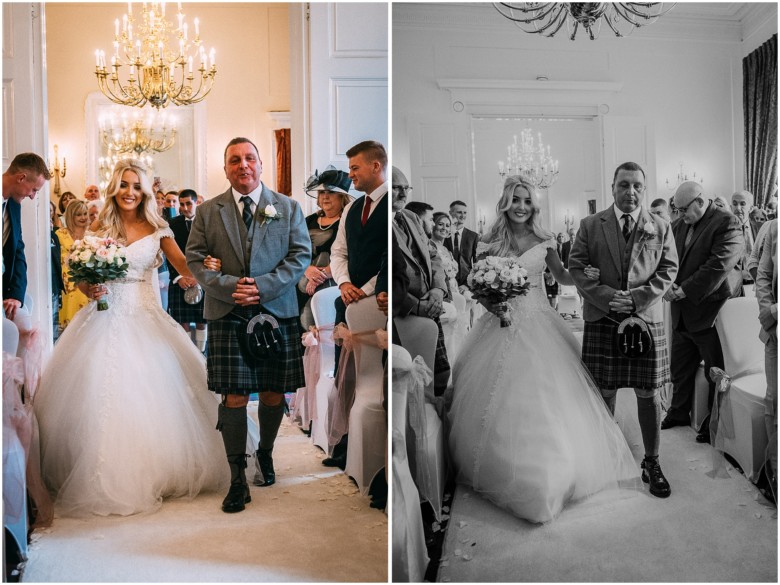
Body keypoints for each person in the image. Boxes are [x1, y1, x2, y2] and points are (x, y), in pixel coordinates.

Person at [34, 158, 227, 517]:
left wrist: (204, 271)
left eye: (136, 186)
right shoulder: (98, 225)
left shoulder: (159, 230)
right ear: (114, 188)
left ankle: (159, 470)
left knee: (154, 392)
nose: (129, 192)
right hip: (101, 317)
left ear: (145, 191)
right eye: (124, 185)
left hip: (144, 315)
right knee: (96, 390)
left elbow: (186, 268)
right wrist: (88, 286)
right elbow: (80, 275)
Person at [448, 175, 640, 523]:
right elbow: (476, 285)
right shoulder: (488, 240)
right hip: (499, 325)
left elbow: (563, 276)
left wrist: (586, 275)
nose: (521, 207)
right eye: (516, 200)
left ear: (533, 206)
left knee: (552, 395)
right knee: (498, 399)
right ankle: (508, 470)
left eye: (527, 201)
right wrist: (493, 305)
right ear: (506, 202)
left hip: (539, 322)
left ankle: (557, 473)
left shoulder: (545, 239)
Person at [186, 137, 310, 513]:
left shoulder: (287, 207)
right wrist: (228, 288)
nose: (243, 165)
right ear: (225, 168)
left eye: (250, 158)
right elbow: (194, 259)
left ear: (260, 165)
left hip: (276, 310)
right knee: (235, 396)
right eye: (235, 160)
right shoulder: (208, 211)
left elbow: (300, 255)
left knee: (273, 393)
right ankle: (237, 476)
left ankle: (267, 454)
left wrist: (262, 287)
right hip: (227, 312)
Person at [569, 161, 678, 499]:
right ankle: (606, 459)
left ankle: (652, 460)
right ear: (613, 187)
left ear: (644, 189)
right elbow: (576, 266)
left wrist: (634, 299)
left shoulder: (660, 226)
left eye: (637, 186)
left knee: (649, 392)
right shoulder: (590, 224)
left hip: (645, 318)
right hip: (602, 318)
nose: (630, 192)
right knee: (604, 392)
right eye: (623, 185)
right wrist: (608, 298)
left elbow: (669, 268)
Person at [660, 182, 743, 443]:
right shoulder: (678, 225)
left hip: (710, 309)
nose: (680, 214)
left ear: (700, 201)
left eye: (684, 209)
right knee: (680, 367)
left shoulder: (726, 222)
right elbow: (667, 258)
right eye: (677, 209)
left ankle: (712, 421)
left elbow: (718, 266)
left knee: (714, 370)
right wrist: (666, 284)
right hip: (682, 309)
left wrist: (684, 290)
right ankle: (678, 412)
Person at [330, 140, 388, 369]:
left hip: (378, 303)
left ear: (375, 166)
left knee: (372, 371)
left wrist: (363, 292)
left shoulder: (392, 205)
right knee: (344, 372)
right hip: (346, 302)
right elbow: (338, 252)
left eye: (355, 167)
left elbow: (390, 259)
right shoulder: (350, 208)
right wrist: (344, 284)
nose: (350, 174)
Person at [299, 166, 351, 329]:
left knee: (324, 329)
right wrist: (307, 269)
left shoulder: (349, 221)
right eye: (322, 192)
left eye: (331, 192)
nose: (325, 197)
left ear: (342, 196)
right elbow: (295, 250)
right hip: (302, 283)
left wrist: (321, 275)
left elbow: (351, 254)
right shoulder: (308, 220)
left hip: (334, 283)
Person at [3, 153, 50, 321]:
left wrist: (15, 294)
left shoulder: (14, 206)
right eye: (34, 190)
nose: (32, 196)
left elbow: (18, 252)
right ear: (21, 178)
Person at [166, 189, 208, 351]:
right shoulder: (172, 224)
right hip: (179, 279)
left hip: (202, 278)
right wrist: (178, 277)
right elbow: (168, 254)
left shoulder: (207, 222)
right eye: (181, 204)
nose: (184, 208)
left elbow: (211, 252)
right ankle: (188, 353)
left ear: (196, 203)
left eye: (188, 203)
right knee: (182, 321)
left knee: (202, 320)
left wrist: (199, 277)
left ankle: (201, 352)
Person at [756, 219, 777, 499]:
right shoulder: (773, 228)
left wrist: (775, 310)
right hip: (774, 333)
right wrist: (768, 315)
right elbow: (762, 275)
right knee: (773, 400)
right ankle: (774, 472)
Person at [55, 200, 90, 331]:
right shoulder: (60, 234)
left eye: (85, 214)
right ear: (71, 215)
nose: (83, 217)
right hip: (66, 284)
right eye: (78, 214)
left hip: (86, 283)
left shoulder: (91, 235)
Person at [444, 200, 479, 290]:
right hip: (446, 284)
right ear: (450, 213)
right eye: (459, 212)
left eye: (465, 213)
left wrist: (468, 285)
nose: (463, 216)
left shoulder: (473, 236)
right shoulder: (443, 235)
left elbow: (477, 264)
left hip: (466, 284)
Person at [732, 189, 759, 291]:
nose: (738, 208)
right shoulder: (724, 231)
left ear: (751, 208)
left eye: (742, 204)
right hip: (734, 286)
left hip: (756, 285)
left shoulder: (759, 228)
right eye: (734, 204)